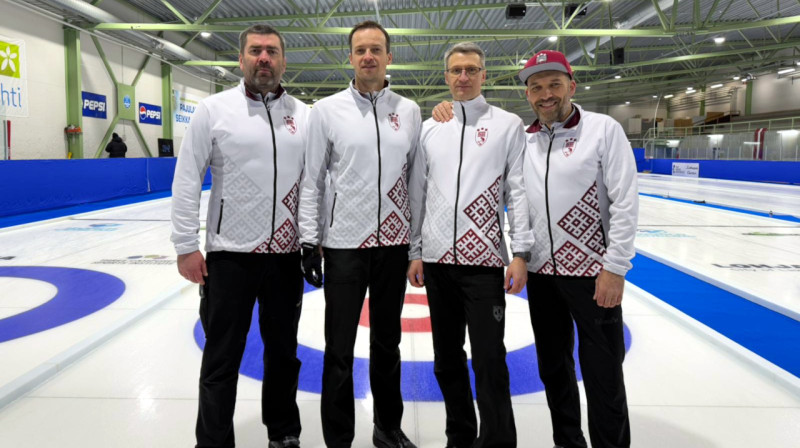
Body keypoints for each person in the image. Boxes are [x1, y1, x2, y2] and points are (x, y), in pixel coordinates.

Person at [432, 50, 638, 448]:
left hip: (594, 276)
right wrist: (521, 256)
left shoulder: (603, 130)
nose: (546, 95)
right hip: (543, 275)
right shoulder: (524, 140)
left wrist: (615, 267)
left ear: (571, 86)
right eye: (536, 87)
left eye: (554, 85)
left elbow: (625, 201)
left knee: (603, 372)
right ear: (527, 94)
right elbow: (517, 196)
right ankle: (568, 442)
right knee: (554, 370)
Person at [171, 24, 309, 448]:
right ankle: (213, 441)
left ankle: (283, 431)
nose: (263, 58)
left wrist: (313, 238)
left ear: (284, 60)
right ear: (241, 59)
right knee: (222, 355)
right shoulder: (213, 110)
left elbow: (316, 183)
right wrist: (185, 245)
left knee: (283, 353)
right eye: (255, 51)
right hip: (229, 256)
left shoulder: (305, 116)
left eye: (271, 51)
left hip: (286, 256)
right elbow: (187, 178)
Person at [297, 20, 421, 448]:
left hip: (393, 245)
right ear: (349, 57)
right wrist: (309, 241)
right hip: (344, 245)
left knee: (388, 344)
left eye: (376, 49)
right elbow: (311, 180)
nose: (368, 56)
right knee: (339, 348)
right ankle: (338, 438)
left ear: (389, 57)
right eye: (360, 49)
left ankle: (387, 427)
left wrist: (415, 243)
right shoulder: (326, 111)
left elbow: (416, 180)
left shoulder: (409, 111)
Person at [407, 42, 533, 448]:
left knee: (490, 360)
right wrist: (415, 251)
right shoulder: (430, 127)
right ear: (446, 77)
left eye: (471, 70)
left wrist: (520, 253)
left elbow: (518, 191)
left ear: (483, 75)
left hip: (483, 265)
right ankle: (459, 435)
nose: (463, 77)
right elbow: (417, 194)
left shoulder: (507, 124)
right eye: (456, 70)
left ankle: (497, 441)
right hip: (439, 262)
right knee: (446, 361)